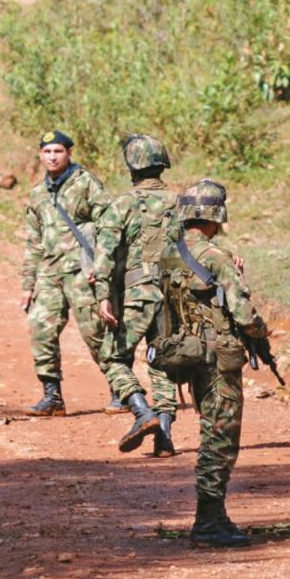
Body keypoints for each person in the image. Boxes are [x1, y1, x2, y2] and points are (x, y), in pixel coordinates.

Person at [159, 179, 272, 548]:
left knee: (211, 429)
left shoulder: (171, 255)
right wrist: (262, 333)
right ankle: (208, 521)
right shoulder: (217, 258)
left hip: (190, 354)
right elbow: (244, 314)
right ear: (216, 216)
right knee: (220, 438)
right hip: (218, 359)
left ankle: (215, 515)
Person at [93, 134, 180, 456]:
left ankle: (142, 412)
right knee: (163, 363)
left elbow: (104, 253)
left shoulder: (123, 204)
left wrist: (103, 294)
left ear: (132, 165)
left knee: (113, 357)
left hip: (138, 293)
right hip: (173, 297)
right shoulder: (179, 202)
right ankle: (165, 438)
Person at [20, 130, 112, 416]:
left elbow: (108, 224)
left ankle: (122, 390)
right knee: (40, 328)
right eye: (47, 152)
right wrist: (27, 284)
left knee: (94, 332)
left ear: (68, 153)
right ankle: (52, 396)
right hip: (49, 273)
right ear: (40, 155)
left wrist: (102, 266)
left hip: (81, 272)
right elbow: (33, 241)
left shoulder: (86, 184)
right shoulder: (38, 193)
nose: (52, 157)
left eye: (58, 151)